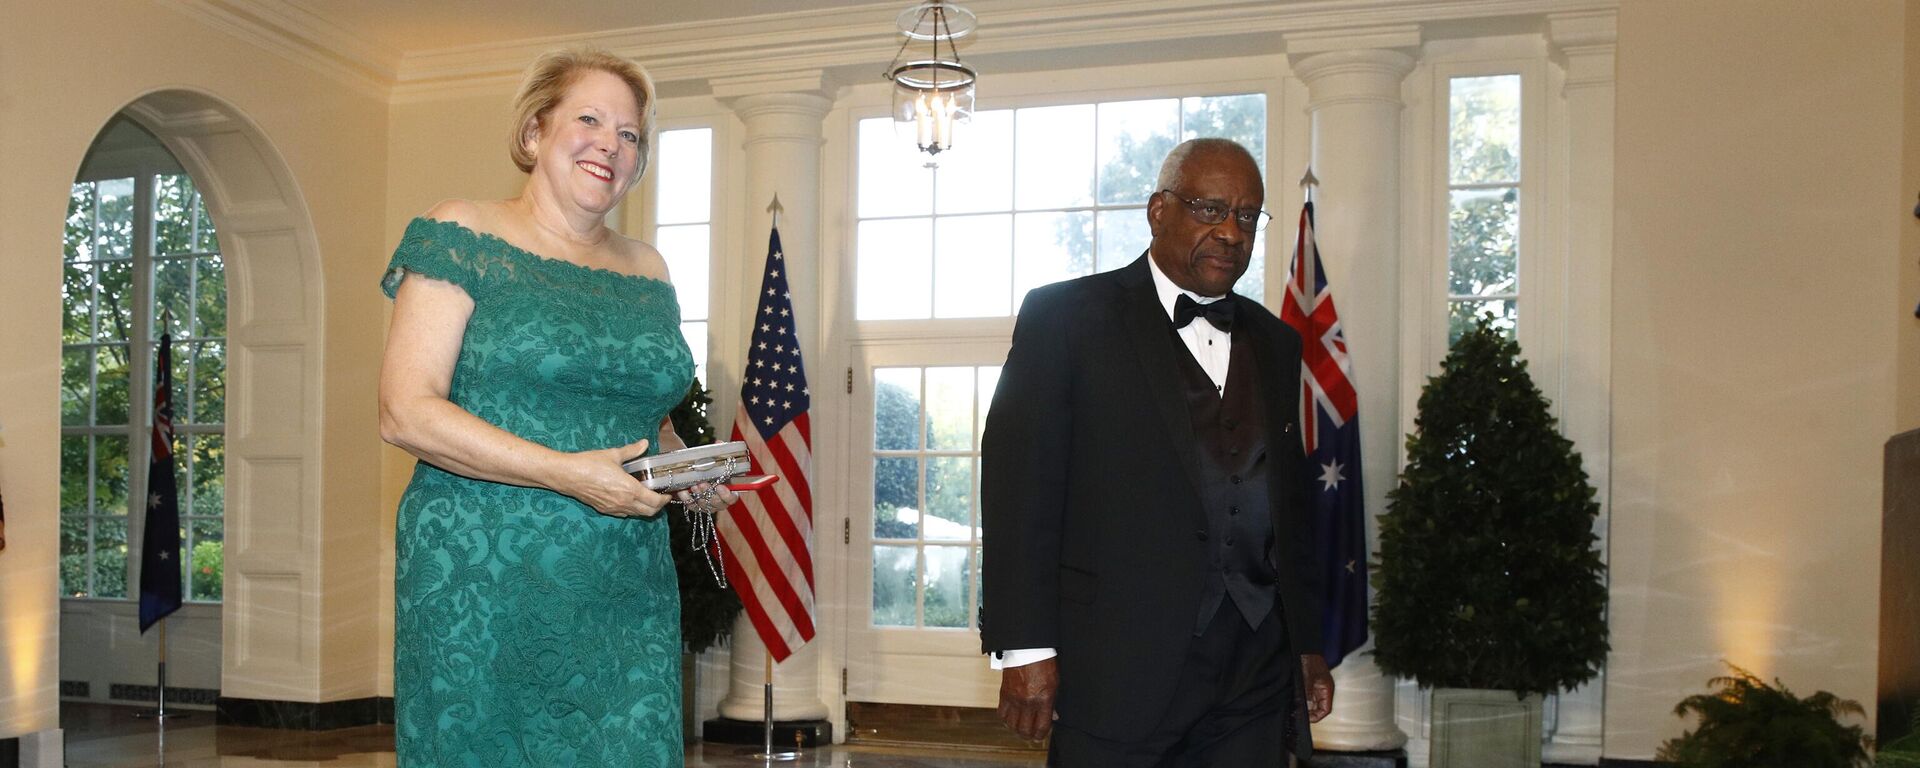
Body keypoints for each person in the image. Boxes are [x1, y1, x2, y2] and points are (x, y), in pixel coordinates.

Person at [378, 49, 731, 766]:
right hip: (481, 577)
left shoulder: (649, 268)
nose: (611, 142)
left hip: (624, 575)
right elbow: (405, 411)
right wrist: (569, 473)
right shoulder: (461, 232)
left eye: (630, 134)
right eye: (591, 119)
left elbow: (646, 416)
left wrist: (681, 471)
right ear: (535, 133)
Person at [980, 138, 1336, 766]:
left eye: (1248, 216)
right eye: (1210, 209)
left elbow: (1290, 507)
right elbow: (1019, 492)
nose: (1231, 232)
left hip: (1253, 668)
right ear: (1158, 210)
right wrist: (1025, 648)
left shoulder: (1277, 343)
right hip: (1117, 668)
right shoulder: (1064, 318)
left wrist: (1305, 643)